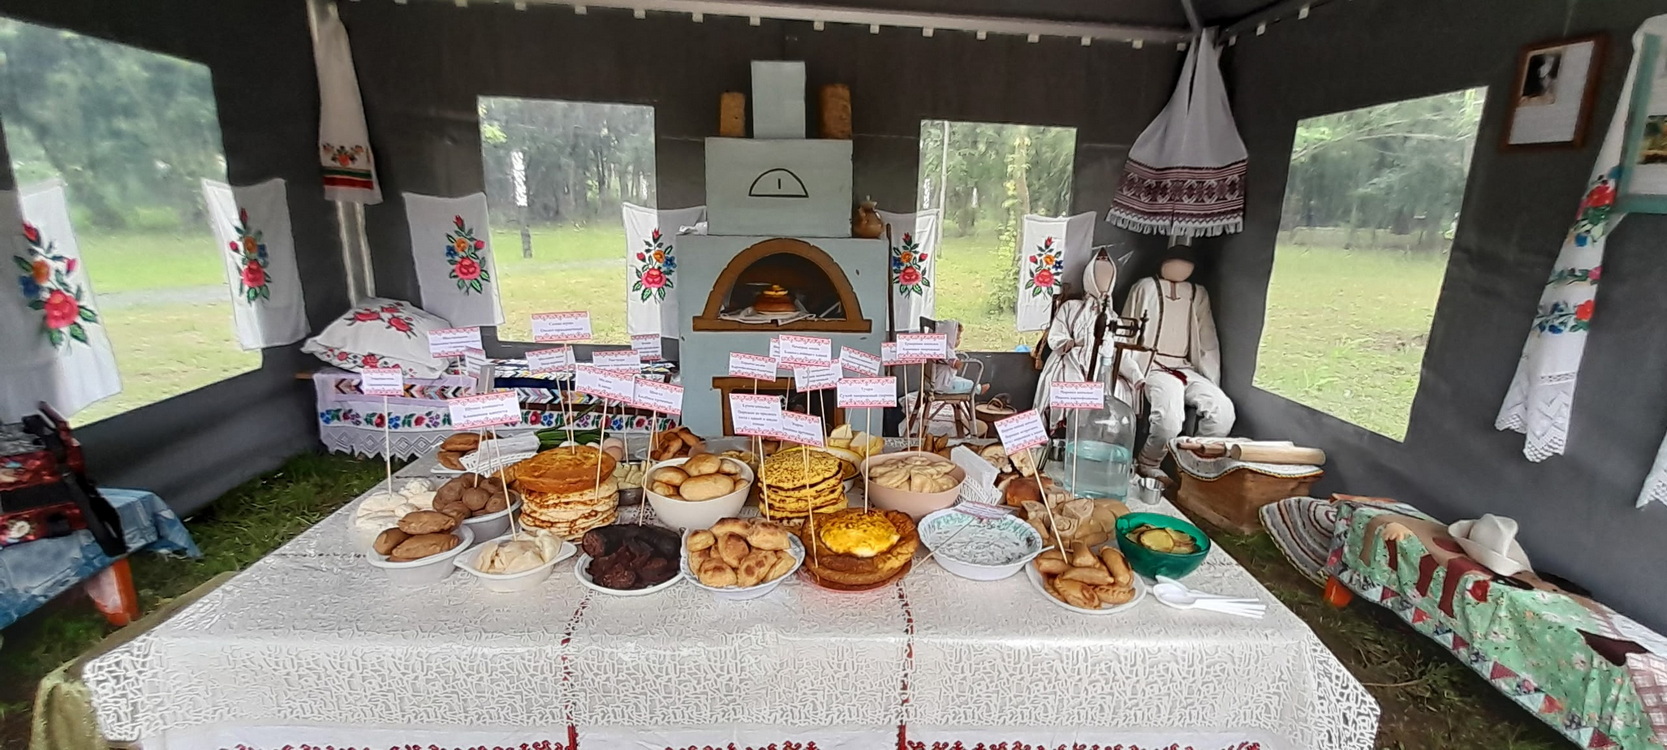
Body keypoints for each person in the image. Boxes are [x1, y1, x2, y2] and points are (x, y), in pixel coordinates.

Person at [1118, 244, 1234, 479]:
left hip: (1185, 366)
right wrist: (1130, 369)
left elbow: (1207, 337)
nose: (1181, 268)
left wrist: (1211, 378)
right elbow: (1126, 329)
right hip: (1152, 365)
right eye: (1175, 263)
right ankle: (1148, 462)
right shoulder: (1145, 287)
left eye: (1186, 264)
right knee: (1169, 419)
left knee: (1223, 411)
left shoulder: (1198, 293)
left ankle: (1192, 464)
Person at [1034, 255, 1115, 427]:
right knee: (1065, 382)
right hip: (1069, 358)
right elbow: (1056, 334)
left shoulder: (1112, 317)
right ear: (1089, 278)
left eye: (1108, 277)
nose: (1104, 282)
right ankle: (1061, 428)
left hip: (1100, 363)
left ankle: (1088, 431)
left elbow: (1118, 349)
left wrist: (1136, 376)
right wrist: (1069, 343)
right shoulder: (1071, 307)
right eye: (1099, 276)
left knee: (1109, 392)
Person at [929, 320, 987, 395]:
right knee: (969, 384)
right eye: (957, 338)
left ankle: (978, 388)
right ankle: (979, 389)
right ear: (950, 337)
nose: (959, 340)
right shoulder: (947, 351)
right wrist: (960, 363)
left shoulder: (937, 346)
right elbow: (955, 364)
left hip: (937, 381)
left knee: (960, 380)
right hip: (945, 384)